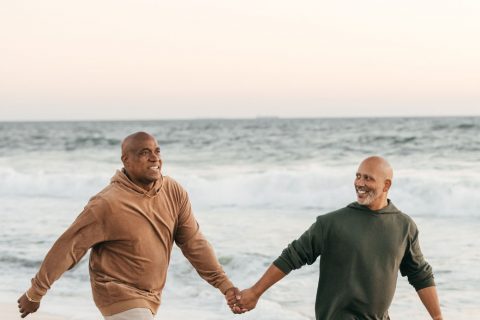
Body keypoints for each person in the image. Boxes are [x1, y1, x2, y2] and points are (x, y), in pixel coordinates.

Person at [18, 131, 239, 319]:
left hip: (151, 296)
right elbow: (69, 247)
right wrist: (36, 293)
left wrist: (225, 285)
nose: (154, 158)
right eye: (144, 153)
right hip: (116, 292)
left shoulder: (173, 191)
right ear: (126, 160)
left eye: (157, 151)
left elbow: (194, 243)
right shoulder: (107, 203)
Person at [229, 156, 443, 320]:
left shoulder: (404, 226)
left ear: (386, 185)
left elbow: (420, 275)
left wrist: (437, 318)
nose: (360, 182)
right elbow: (291, 256)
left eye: (368, 178)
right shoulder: (331, 223)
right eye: (358, 176)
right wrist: (255, 292)